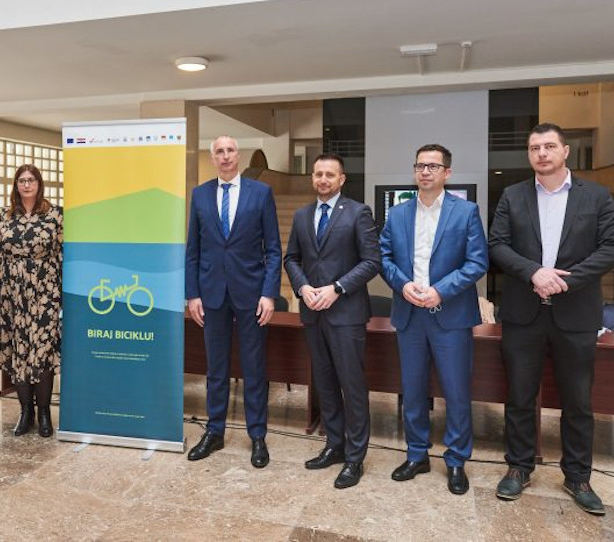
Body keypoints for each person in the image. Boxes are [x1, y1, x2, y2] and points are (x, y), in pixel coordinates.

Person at [489, 123, 614, 515]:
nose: (542, 154)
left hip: (576, 313)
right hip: (524, 314)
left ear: (565, 151)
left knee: (578, 400)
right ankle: (519, 467)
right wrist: (534, 272)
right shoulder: (513, 195)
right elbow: (497, 244)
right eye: (534, 148)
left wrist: (566, 279)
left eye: (549, 146)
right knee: (519, 396)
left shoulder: (594, 195)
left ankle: (578, 477)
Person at [380, 144, 488, 495]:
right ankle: (416, 454)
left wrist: (441, 290)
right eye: (420, 166)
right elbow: (384, 257)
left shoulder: (466, 211)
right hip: (410, 314)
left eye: (433, 166)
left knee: (456, 393)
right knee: (412, 391)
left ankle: (456, 460)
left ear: (447, 173)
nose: (425, 171)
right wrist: (402, 284)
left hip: (451, 316)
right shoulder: (398, 213)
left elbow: (477, 262)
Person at [283, 153, 380, 488]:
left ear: (341, 179)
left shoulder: (358, 212)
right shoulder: (302, 215)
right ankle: (334, 446)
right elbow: (291, 258)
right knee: (324, 383)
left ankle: (355, 458)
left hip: (346, 315)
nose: (323, 179)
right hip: (312, 312)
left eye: (329, 174)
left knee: (352, 386)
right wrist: (303, 287)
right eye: (318, 174)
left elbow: (372, 261)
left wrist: (337, 288)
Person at [185, 135, 281, 468]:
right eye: (219, 151)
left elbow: (273, 249)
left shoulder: (261, 193)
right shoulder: (200, 194)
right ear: (213, 158)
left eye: (230, 150)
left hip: (251, 294)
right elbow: (193, 250)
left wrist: (269, 293)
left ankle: (258, 435)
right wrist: (192, 294)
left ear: (238, 155)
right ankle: (214, 432)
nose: (225, 156)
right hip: (211, 294)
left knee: (254, 367)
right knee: (216, 368)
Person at [0, 164, 62, 437]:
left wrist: (64, 294)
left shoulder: (55, 215)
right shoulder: (5, 216)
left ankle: (44, 413)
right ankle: (25, 411)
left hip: (45, 292)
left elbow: (62, 253)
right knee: (19, 353)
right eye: (22, 180)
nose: (27, 185)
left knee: (41, 352)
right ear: (16, 185)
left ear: (39, 184)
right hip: (12, 294)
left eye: (31, 180)